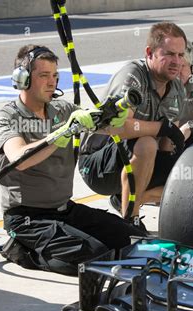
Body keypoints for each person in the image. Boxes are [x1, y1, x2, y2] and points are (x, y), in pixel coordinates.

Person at [0, 44, 144, 276]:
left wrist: (115, 120)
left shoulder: (62, 110)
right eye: (43, 76)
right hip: (26, 218)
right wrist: (60, 134)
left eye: (54, 76)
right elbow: (19, 159)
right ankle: (23, 250)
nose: (52, 82)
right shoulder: (8, 117)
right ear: (22, 79)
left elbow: (102, 127)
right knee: (93, 257)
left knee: (129, 238)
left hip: (64, 209)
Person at [79, 22, 186, 228]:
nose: (176, 62)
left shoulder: (177, 89)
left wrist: (175, 161)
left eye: (181, 55)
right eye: (169, 54)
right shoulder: (133, 75)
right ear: (149, 53)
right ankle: (131, 221)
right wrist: (161, 128)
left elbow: (168, 141)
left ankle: (129, 198)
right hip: (96, 161)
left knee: (187, 171)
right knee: (146, 143)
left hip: (137, 159)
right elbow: (118, 128)